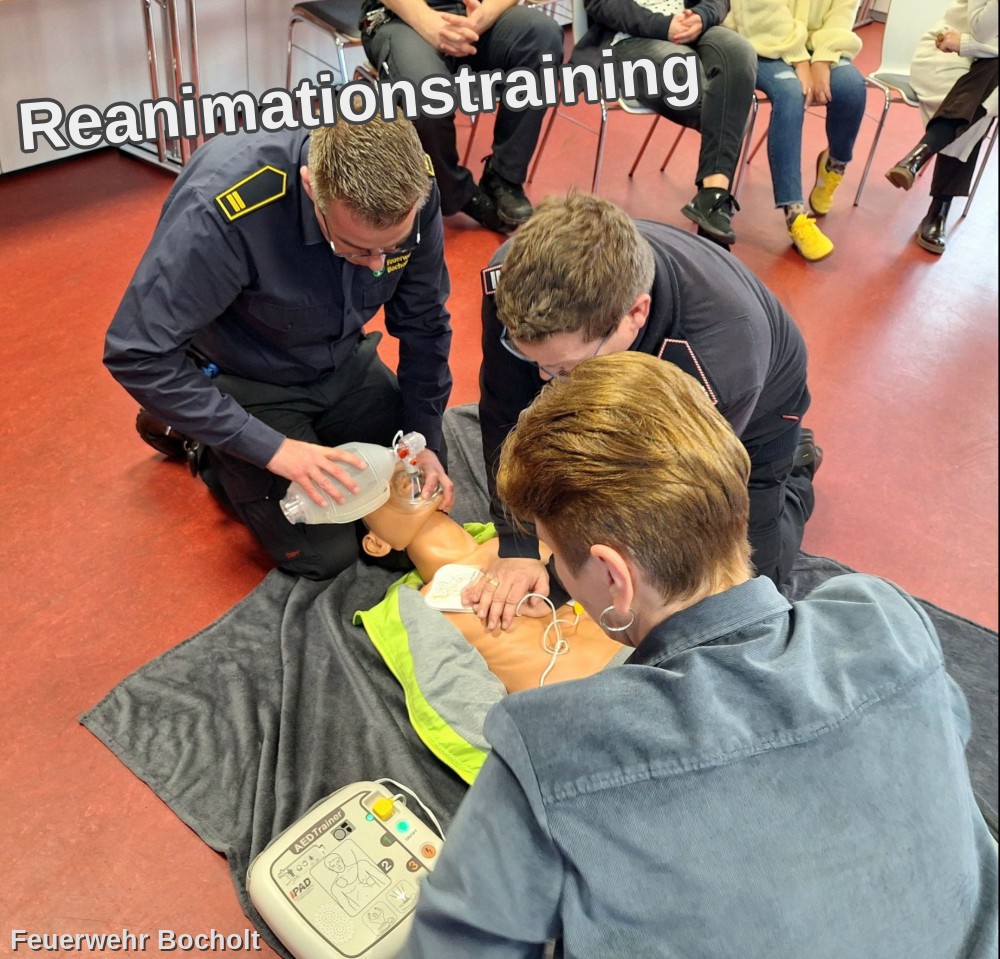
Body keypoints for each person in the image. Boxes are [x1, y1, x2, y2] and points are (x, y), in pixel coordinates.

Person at [401, 351, 999, 959]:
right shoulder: (884, 618)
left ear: (614, 576)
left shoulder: (549, 747)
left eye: (551, 554)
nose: (554, 570)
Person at [104, 117, 455, 580]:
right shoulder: (220, 212)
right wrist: (268, 448)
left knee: (407, 524)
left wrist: (423, 436)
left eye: (392, 248)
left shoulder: (413, 188)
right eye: (354, 248)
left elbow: (425, 321)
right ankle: (199, 440)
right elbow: (136, 352)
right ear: (311, 188)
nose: (377, 265)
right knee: (326, 553)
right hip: (246, 378)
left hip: (343, 360)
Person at [467, 193, 816, 631]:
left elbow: (665, 492)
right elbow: (504, 403)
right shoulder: (512, 284)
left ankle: (796, 469)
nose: (542, 379)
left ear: (635, 313)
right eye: (531, 358)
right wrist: (517, 546)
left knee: (745, 595)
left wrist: (564, 573)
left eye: (565, 368)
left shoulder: (720, 357)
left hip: (759, 414)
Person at [359, 469, 626, 692]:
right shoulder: (423, 610)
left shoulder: (524, 539)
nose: (399, 474)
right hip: (590, 699)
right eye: (375, 489)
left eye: (398, 465)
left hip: (642, 648)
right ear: (376, 543)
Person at [360, 0, 564, 234]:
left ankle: (504, 177)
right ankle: (458, 194)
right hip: (402, 18)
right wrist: (429, 23)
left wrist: (484, 15)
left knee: (543, 35)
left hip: (475, 15)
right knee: (426, 94)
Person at [572, 0, 757, 246]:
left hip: (694, 30)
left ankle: (713, 196)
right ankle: (713, 221)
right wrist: (663, 26)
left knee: (740, 52)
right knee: (725, 103)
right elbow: (600, 4)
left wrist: (702, 16)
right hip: (630, 38)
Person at [724, 0, 867, 261]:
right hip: (761, 38)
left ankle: (833, 166)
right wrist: (799, 58)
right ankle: (795, 214)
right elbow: (761, 10)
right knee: (791, 93)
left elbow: (842, 12)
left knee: (852, 87)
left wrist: (823, 58)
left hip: (815, 47)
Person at [885, 0, 998, 255]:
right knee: (983, 101)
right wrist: (967, 46)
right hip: (944, 56)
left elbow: (977, 40)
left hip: (980, 63)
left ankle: (917, 156)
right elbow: (982, 28)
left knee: (988, 90)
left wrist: (967, 44)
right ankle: (939, 209)